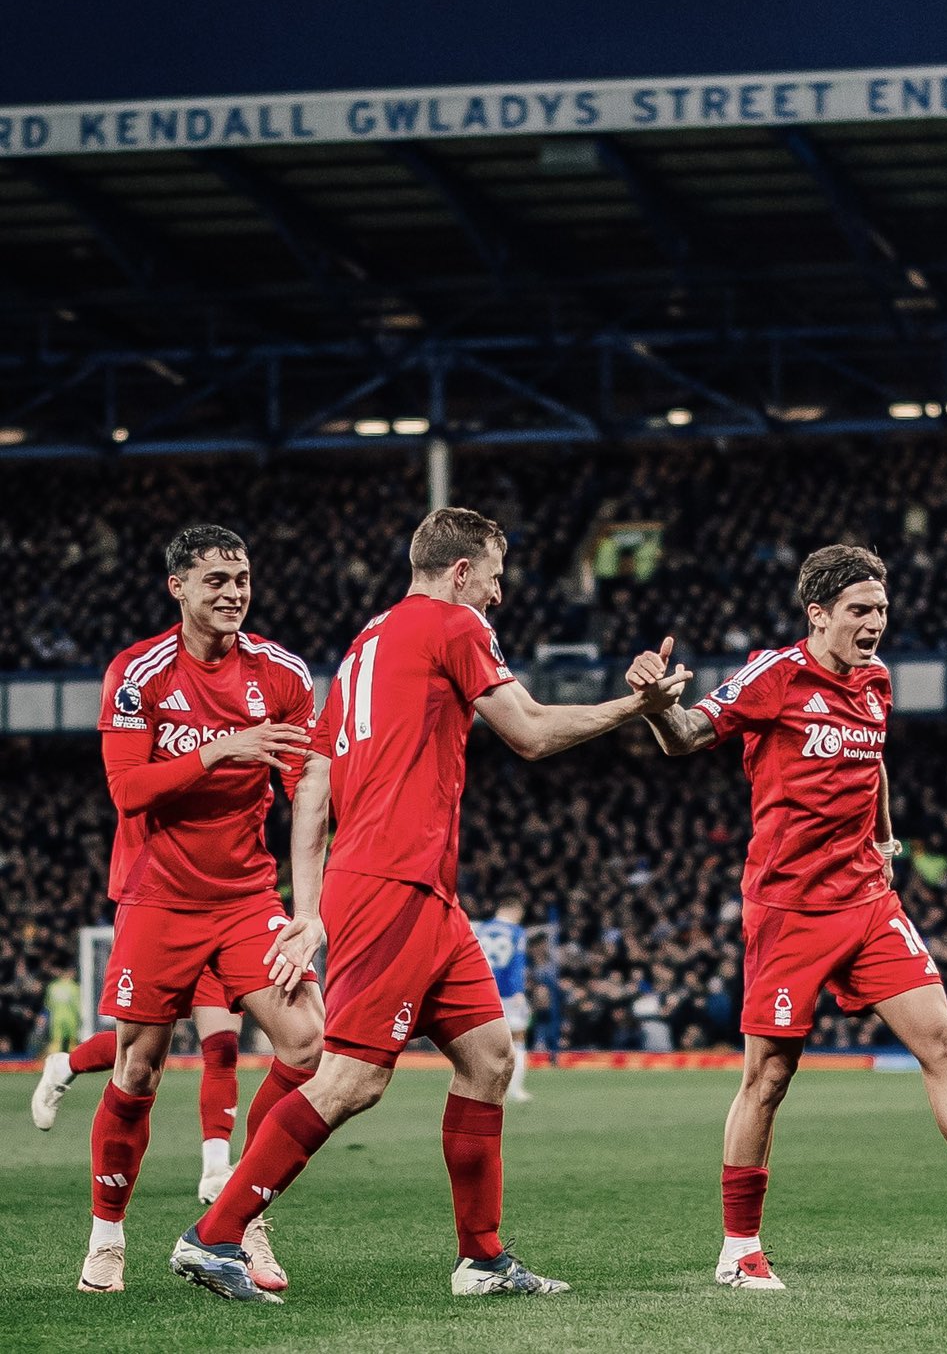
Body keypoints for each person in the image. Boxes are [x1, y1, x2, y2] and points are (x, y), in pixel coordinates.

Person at [172, 506, 689, 1304]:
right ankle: (215, 1234)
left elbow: (312, 785)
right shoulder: (454, 624)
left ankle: (482, 1260)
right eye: (494, 577)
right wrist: (638, 711)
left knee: (488, 1059)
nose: (499, 595)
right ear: (459, 573)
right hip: (394, 883)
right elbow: (531, 733)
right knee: (349, 1080)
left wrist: (311, 906)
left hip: (411, 888)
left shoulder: (363, 646)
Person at [629, 543, 947, 1291]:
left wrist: (884, 839)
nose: (875, 624)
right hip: (789, 908)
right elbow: (684, 738)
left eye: (881, 610)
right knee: (768, 1077)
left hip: (869, 901)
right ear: (819, 614)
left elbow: (873, 764)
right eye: (859, 611)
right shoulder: (773, 675)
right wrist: (656, 705)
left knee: (943, 1039)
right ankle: (738, 1250)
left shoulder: (875, 682)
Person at [73, 524, 327, 1296]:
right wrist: (220, 748)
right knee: (139, 1069)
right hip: (158, 899)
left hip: (247, 896)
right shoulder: (138, 672)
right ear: (177, 586)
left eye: (242, 577)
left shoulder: (281, 672)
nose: (232, 592)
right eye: (215, 579)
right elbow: (127, 790)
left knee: (307, 1041)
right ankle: (107, 1237)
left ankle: (244, 1219)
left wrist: (308, 907)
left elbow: (307, 783)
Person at [34, 966, 249, 1203]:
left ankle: (216, 1169)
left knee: (223, 1050)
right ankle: (67, 1065)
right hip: (165, 943)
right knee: (142, 1053)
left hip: (217, 946)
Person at [471, 899, 534, 1103]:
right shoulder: (516, 932)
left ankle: (480, 1087)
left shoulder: (480, 928)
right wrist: (518, 990)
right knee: (517, 1039)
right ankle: (515, 1090)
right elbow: (517, 962)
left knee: (483, 1041)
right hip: (507, 992)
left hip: (481, 989)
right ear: (515, 911)